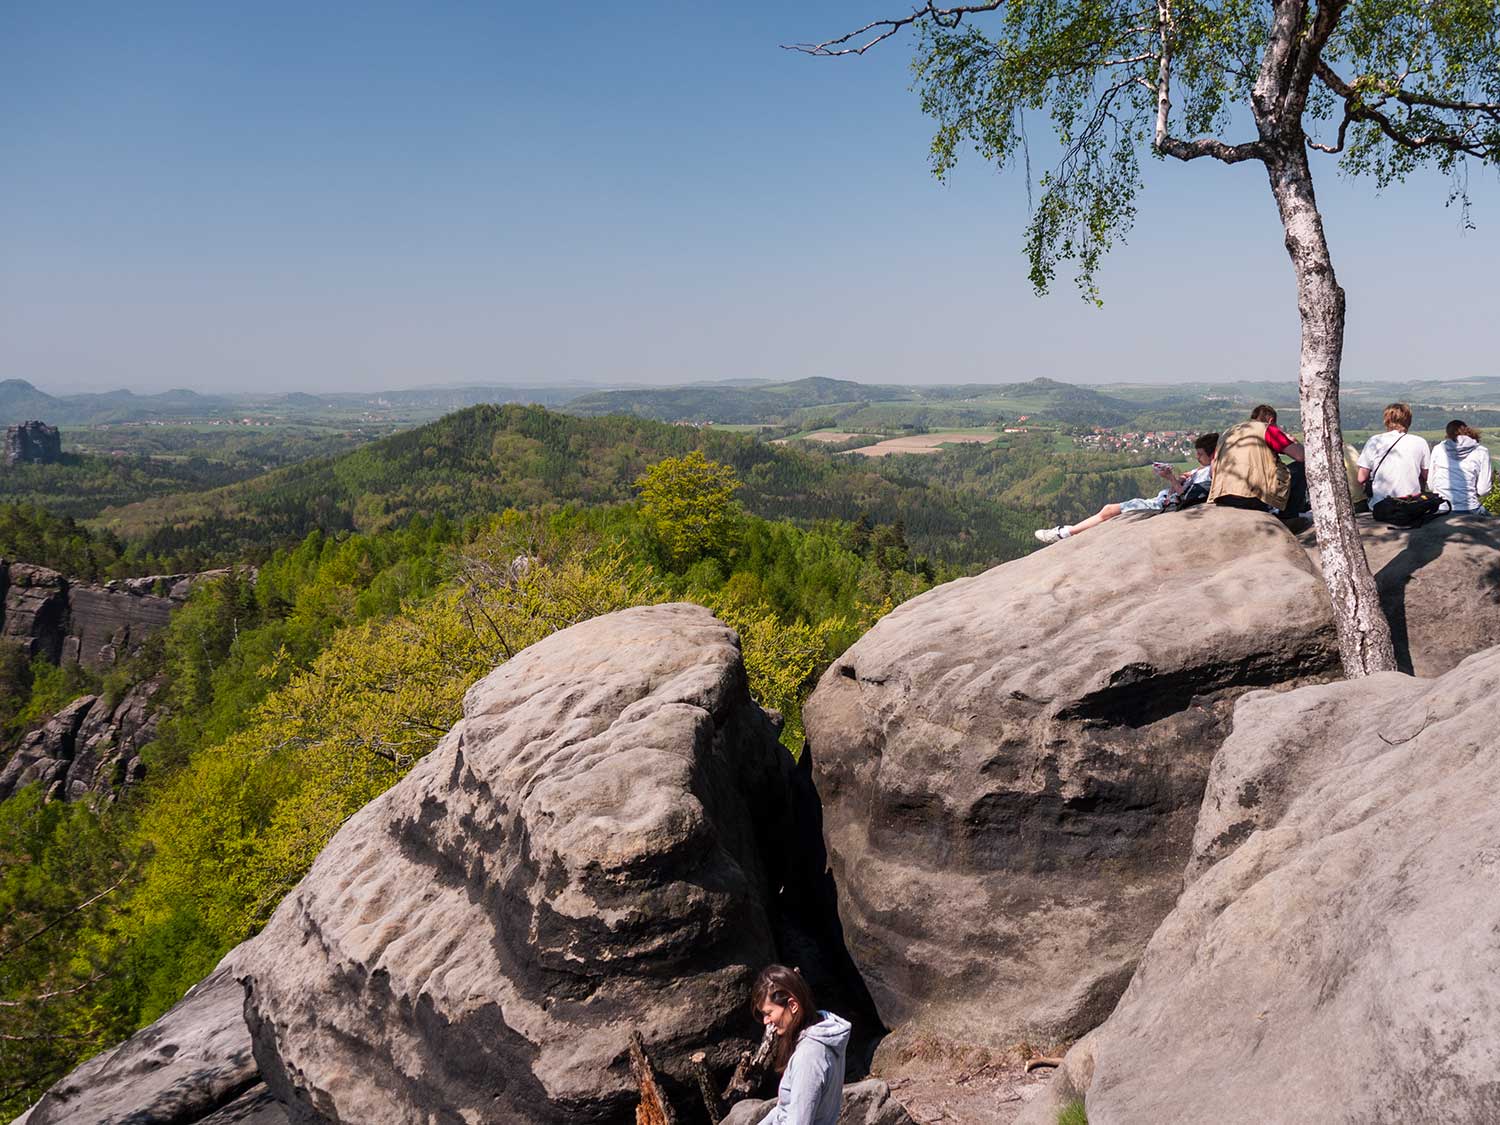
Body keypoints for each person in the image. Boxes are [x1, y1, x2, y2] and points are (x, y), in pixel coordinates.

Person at [1034, 432, 1218, 544]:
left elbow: (1188, 499)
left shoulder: (1210, 475)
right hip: (1163, 501)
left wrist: (1171, 478)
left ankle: (1064, 533)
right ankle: (1067, 531)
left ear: (1212, 455)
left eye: (1200, 454)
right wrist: (1181, 476)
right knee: (1108, 510)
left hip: (1162, 506)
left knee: (1109, 510)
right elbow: (1187, 483)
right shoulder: (1205, 470)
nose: (1197, 457)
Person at [748, 964, 849, 1125]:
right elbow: (784, 1110)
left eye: (768, 1013)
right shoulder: (823, 1031)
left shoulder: (809, 1057)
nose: (766, 1021)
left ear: (793, 1006)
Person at [1209, 404, 1307, 515]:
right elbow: (1300, 456)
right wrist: (1293, 441)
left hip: (1221, 494)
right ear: (1271, 420)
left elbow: (1212, 472)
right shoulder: (1268, 429)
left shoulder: (1228, 432)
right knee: (1302, 467)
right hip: (1252, 496)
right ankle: (1289, 517)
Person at [1357, 403, 1430, 510]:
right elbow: (1426, 475)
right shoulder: (1420, 442)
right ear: (1408, 421)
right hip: (1411, 504)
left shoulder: (1375, 441)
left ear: (1386, 420)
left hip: (1380, 505)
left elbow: (1361, 478)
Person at [1427, 420, 1493, 513]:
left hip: (1442, 506)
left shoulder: (1438, 449)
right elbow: (1483, 489)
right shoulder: (1481, 451)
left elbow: (1431, 485)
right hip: (1470, 506)